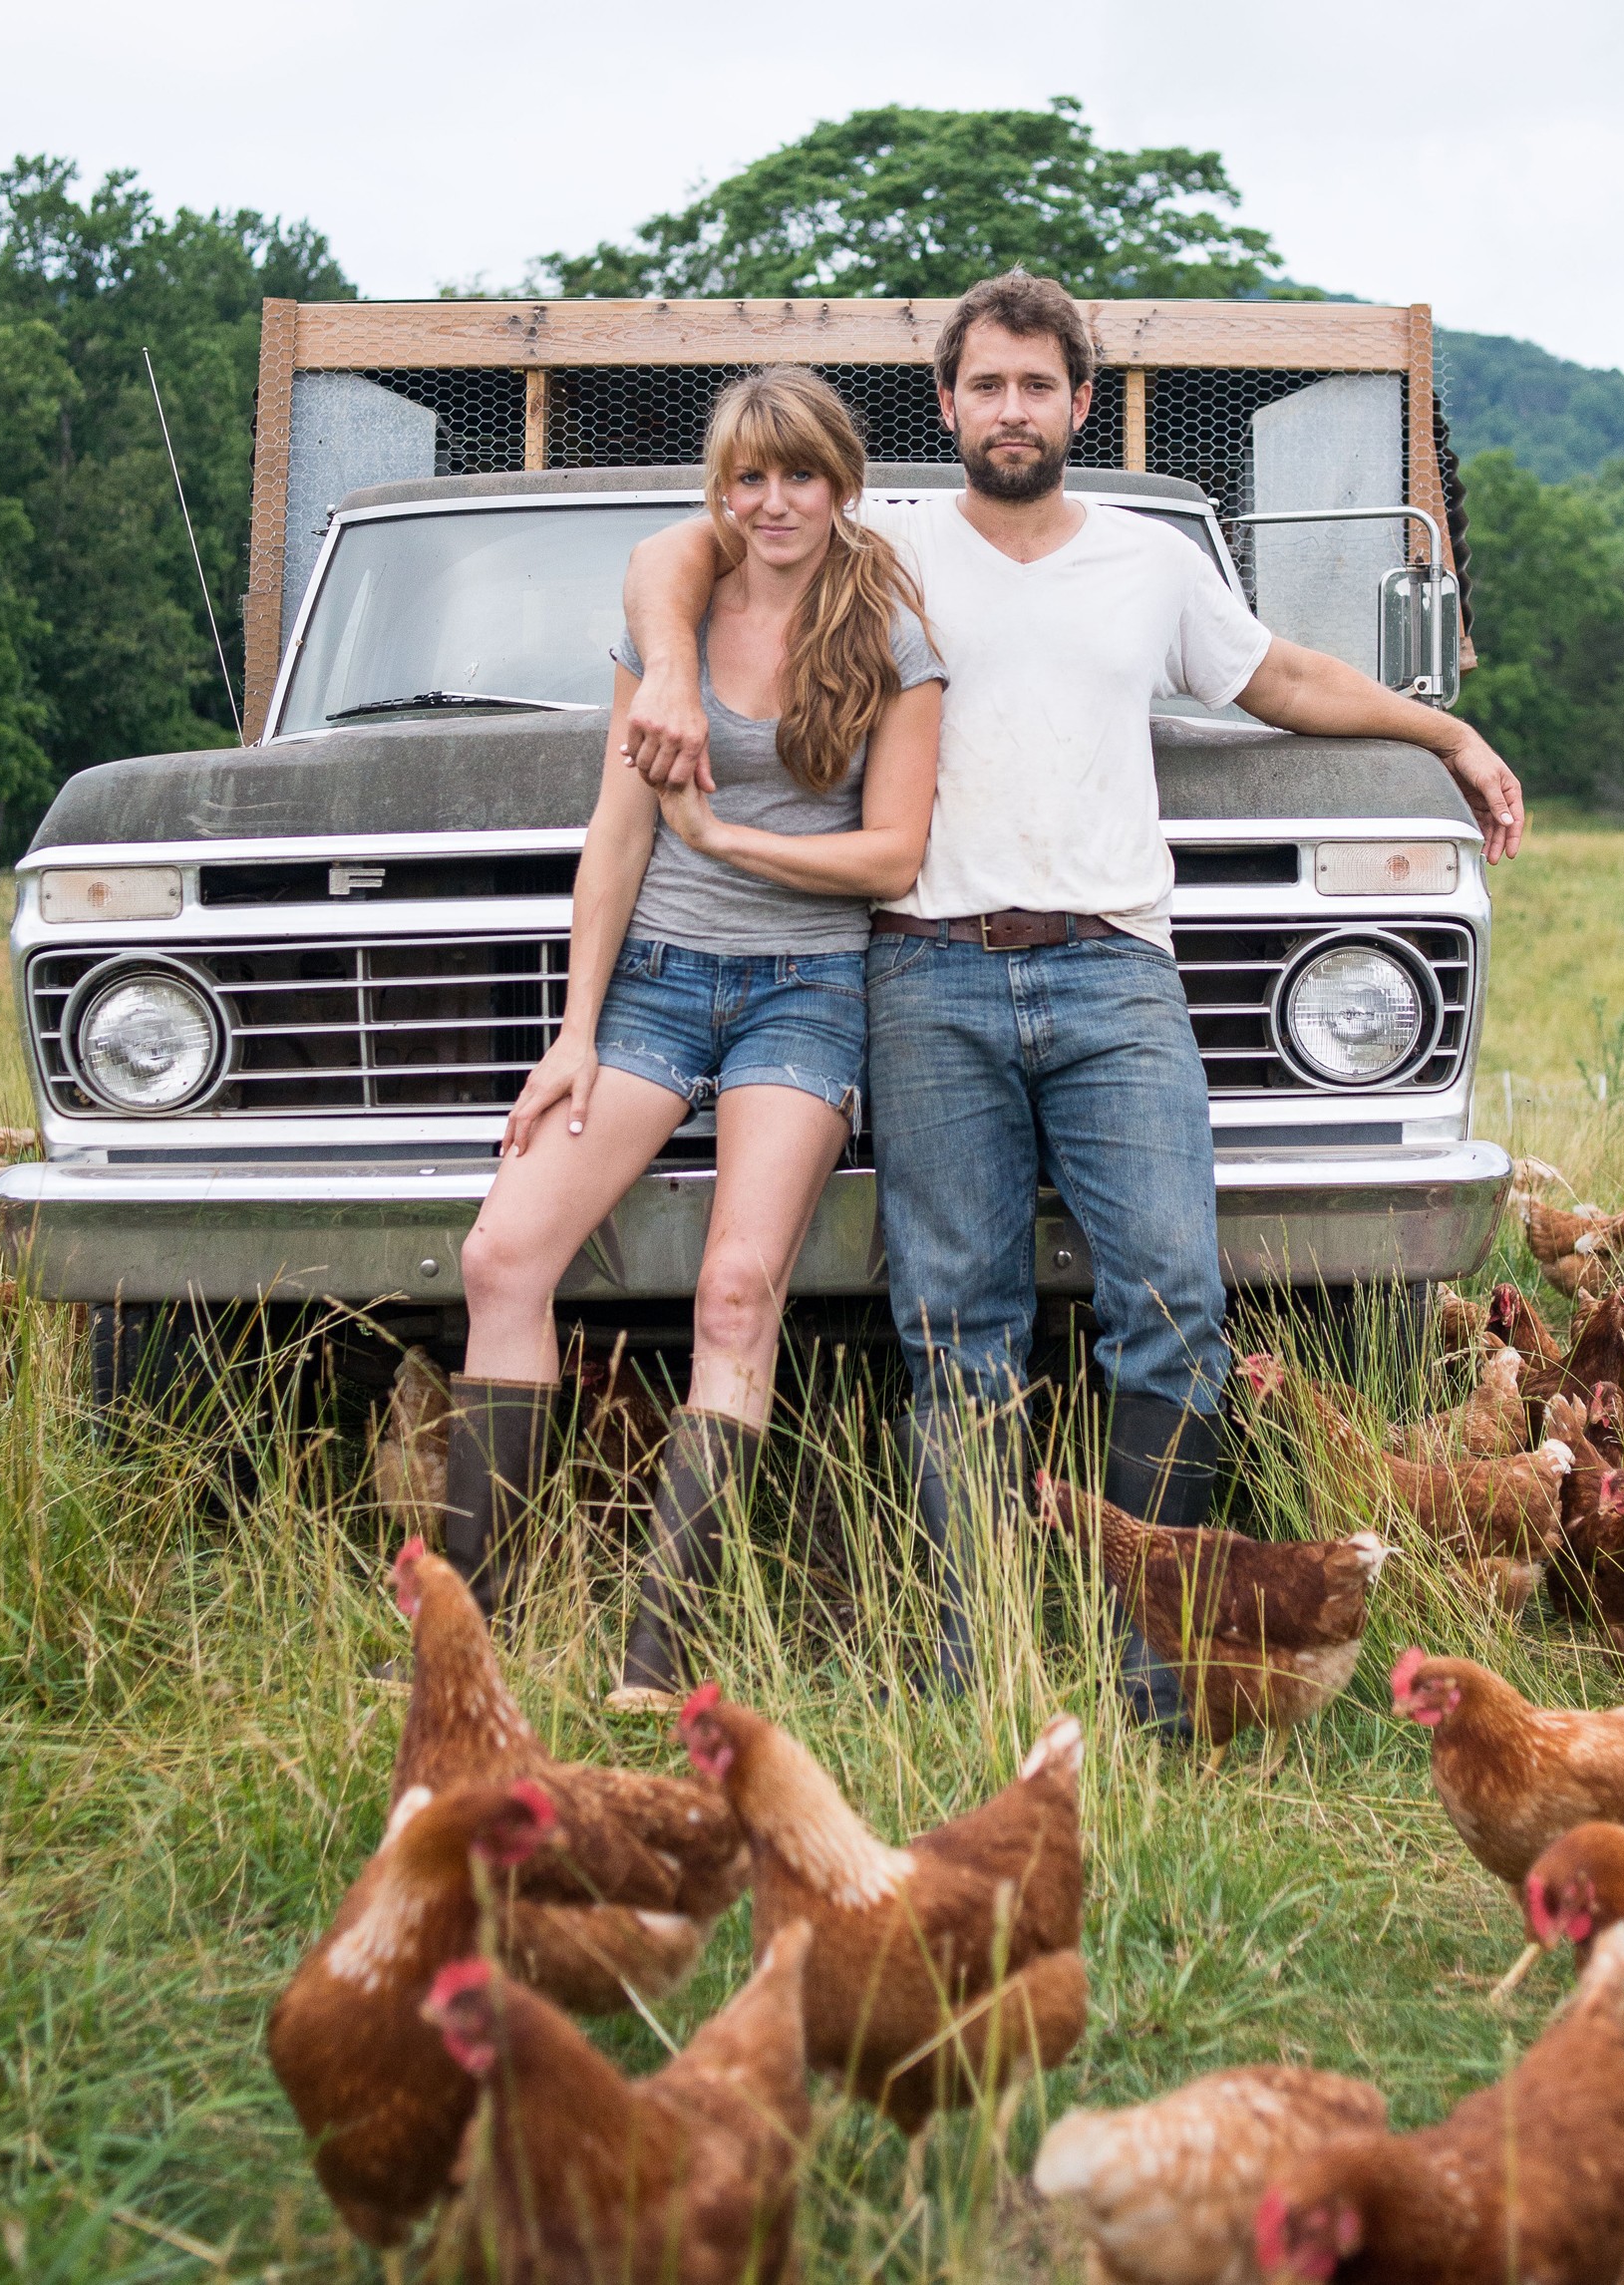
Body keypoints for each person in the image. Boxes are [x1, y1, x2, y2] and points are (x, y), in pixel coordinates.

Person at [621, 271, 1526, 1733]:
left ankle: (1162, 1680)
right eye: (986, 385)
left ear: (1080, 403)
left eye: (1038, 385)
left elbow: (1278, 674)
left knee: (1172, 1303)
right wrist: (668, 660)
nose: (1012, 409)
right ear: (949, 404)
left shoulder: (1151, 556)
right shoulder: (885, 550)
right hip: (925, 966)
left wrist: (1449, 729)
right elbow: (685, 547)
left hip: (1115, 967)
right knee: (952, 1322)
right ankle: (968, 1672)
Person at [451, 367, 945, 1711]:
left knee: (736, 1294)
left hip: (809, 987)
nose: (772, 502)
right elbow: (616, 836)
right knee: (503, 1256)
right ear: (719, 489)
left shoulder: (891, 633)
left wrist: (727, 836)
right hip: (657, 985)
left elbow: (897, 855)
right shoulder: (670, 617)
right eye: (747, 476)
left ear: (843, 485)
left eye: (800, 475)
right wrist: (572, 1030)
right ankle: (466, 1644)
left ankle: (653, 1660)